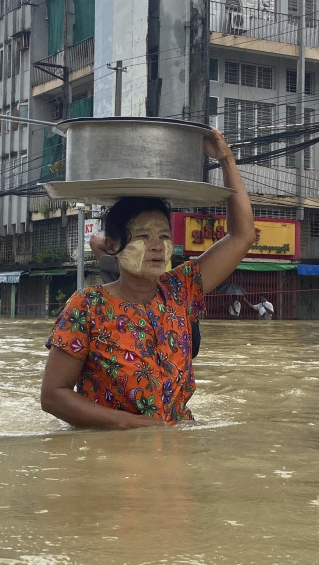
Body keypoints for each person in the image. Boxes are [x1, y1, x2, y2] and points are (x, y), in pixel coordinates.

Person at [41, 128, 255, 429]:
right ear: (114, 245)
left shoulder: (180, 290)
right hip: (111, 454)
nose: (157, 246)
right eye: (143, 236)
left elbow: (243, 235)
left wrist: (226, 160)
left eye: (164, 236)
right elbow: (52, 396)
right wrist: (128, 424)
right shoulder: (87, 306)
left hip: (176, 449)